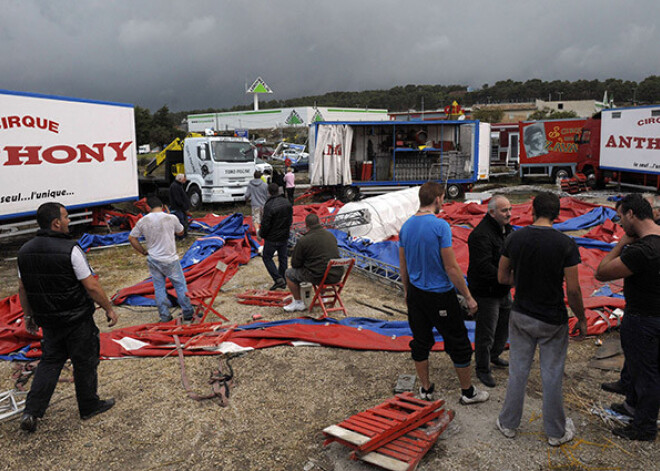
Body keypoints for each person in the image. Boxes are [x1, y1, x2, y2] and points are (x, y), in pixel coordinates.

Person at [17, 202, 118, 433]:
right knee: (85, 362)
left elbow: (23, 288)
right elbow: (91, 285)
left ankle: (31, 411)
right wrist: (109, 308)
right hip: (77, 320)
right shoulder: (70, 249)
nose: (69, 221)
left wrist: (28, 315)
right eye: (66, 217)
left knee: (49, 363)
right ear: (56, 223)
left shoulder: (24, 251)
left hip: (49, 321)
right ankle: (89, 405)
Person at [496, 192, 587, 446]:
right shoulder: (566, 244)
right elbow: (573, 289)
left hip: (521, 315)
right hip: (552, 320)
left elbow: (502, 277)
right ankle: (556, 432)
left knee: (518, 372)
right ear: (557, 214)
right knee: (552, 375)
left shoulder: (515, 238)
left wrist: (524, 280)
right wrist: (581, 318)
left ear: (533, 210)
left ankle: (508, 424)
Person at [399, 182, 489, 405]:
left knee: (420, 342)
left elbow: (403, 266)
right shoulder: (441, 227)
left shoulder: (406, 227)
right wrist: (468, 296)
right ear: (438, 199)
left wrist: (408, 292)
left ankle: (426, 389)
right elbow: (451, 267)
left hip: (416, 294)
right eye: (442, 198)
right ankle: (467, 392)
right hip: (440, 295)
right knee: (458, 342)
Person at [595, 193, 660, 442]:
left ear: (632, 214)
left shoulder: (642, 250)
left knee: (646, 375)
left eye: (621, 216)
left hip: (643, 319)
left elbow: (601, 272)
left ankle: (644, 427)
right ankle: (633, 407)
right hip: (653, 315)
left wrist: (622, 242)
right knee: (640, 370)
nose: (619, 222)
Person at [467, 195, 513, 388]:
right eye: (504, 211)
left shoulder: (506, 230)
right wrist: (507, 277)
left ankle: (494, 355)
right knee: (486, 331)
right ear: (492, 212)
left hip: (502, 289)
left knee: (503, 326)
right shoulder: (481, 235)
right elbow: (483, 266)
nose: (509, 214)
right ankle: (482, 368)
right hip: (487, 291)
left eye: (510, 209)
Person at [128, 196, 194, 323]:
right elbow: (181, 232)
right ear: (163, 206)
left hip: (153, 258)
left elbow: (132, 238)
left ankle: (164, 316)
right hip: (170, 259)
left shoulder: (143, 221)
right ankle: (187, 313)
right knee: (180, 286)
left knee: (159, 288)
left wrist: (142, 251)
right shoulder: (171, 218)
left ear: (148, 207)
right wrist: (169, 217)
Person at [284, 213, 341, 312]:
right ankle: (323, 296)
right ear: (319, 222)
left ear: (306, 226)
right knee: (322, 266)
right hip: (336, 274)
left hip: (319, 276)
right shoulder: (330, 235)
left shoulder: (304, 240)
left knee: (289, 273)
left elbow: (295, 264)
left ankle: (298, 303)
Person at [259, 183, 293, 291]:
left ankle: (278, 279)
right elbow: (290, 220)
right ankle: (282, 278)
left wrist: (261, 234)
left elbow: (265, 224)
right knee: (283, 258)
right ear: (278, 191)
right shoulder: (286, 203)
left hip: (272, 238)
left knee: (267, 257)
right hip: (284, 236)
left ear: (269, 192)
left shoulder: (269, 206)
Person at [245, 170, 269, 234]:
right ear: (261, 176)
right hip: (264, 204)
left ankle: (257, 231)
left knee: (256, 220)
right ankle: (265, 231)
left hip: (255, 204)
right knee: (265, 219)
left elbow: (247, 195)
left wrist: (246, 199)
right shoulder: (265, 185)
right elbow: (268, 195)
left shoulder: (250, 184)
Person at [169, 173, 191, 239]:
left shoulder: (178, 186)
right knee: (180, 223)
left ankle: (184, 236)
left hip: (180, 208)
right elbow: (178, 199)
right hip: (178, 209)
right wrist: (184, 207)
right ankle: (181, 237)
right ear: (180, 179)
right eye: (184, 178)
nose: (185, 179)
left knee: (184, 222)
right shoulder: (175, 186)